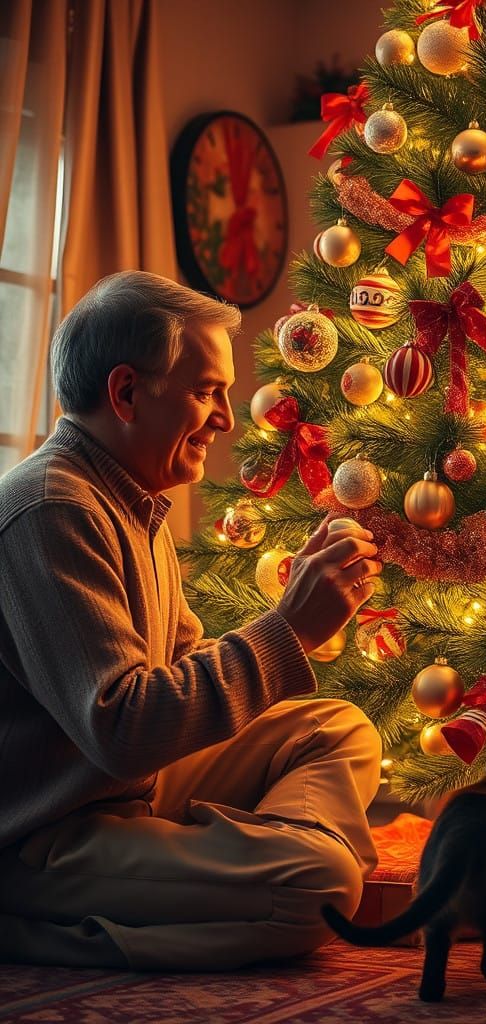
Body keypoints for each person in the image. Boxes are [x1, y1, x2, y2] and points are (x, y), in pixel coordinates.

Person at [0, 271, 385, 971]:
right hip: (44, 835)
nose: (226, 419)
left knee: (339, 728)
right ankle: (33, 928)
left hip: (127, 791)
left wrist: (300, 611)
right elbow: (123, 728)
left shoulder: (130, 499)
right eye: (207, 390)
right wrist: (288, 630)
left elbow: (179, 672)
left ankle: (241, 872)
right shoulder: (53, 509)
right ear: (125, 393)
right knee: (319, 886)